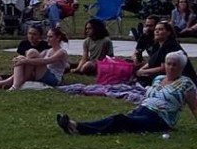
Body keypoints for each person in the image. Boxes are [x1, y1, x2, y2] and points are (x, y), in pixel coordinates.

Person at [57, 50, 197, 135]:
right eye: (168, 64)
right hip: (142, 110)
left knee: (119, 120)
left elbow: (195, 108)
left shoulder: (186, 84)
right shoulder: (159, 78)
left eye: (175, 65)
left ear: (181, 67)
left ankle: (77, 127)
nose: (171, 67)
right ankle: (76, 126)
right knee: (122, 121)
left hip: (160, 119)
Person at [3, 27, 70, 89]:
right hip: (44, 74)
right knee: (21, 57)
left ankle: (16, 84)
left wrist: (24, 61)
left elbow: (45, 61)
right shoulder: (48, 51)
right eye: (47, 37)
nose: (47, 39)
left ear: (58, 38)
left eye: (50, 37)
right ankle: (14, 84)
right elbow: (34, 59)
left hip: (53, 79)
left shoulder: (61, 52)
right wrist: (22, 59)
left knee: (32, 52)